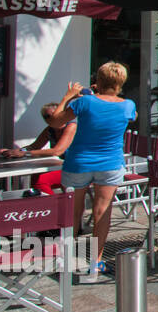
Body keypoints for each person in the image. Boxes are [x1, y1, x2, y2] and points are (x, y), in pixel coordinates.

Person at [43, 63, 137, 277]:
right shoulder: (128, 105)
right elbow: (131, 114)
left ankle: (65, 260)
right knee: (102, 213)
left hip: (79, 163)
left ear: (99, 80)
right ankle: (96, 262)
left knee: (73, 213)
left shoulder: (84, 102)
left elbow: (56, 122)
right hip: (110, 164)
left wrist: (68, 96)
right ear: (121, 83)